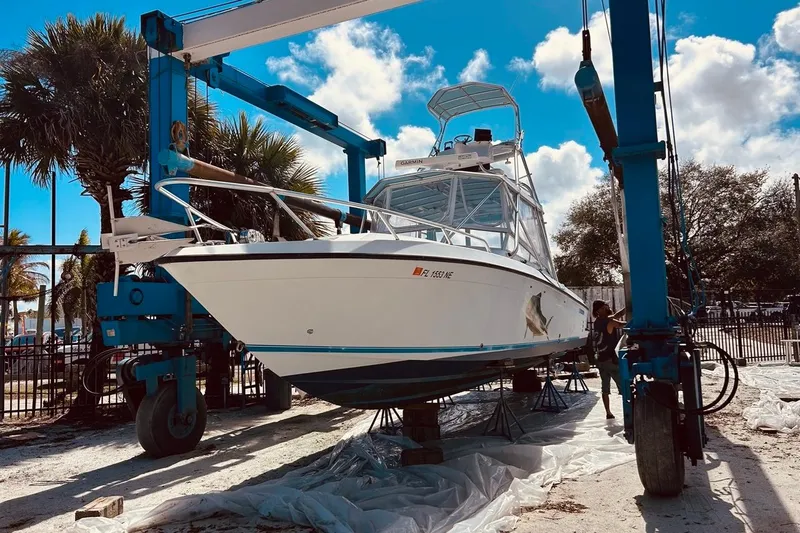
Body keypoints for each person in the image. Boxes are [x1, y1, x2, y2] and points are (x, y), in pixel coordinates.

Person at [592, 300, 626, 419]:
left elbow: (616, 316)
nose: (607, 307)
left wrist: (629, 306)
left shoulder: (597, 322)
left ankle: (608, 413)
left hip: (600, 359)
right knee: (624, 386)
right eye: (605, 306)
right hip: (611, 361)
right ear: (599, 310)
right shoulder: (609, 322)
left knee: (605, 388)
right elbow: (623, 324)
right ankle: (629, 411)